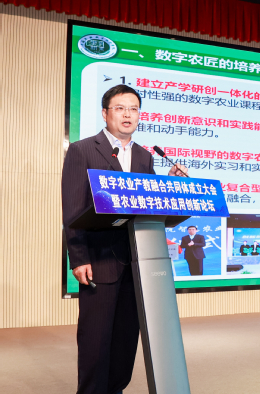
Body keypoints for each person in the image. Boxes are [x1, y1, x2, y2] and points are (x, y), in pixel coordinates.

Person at [62, 84, 188, 394]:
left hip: (137, 262)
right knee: (95, 339)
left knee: (125, 338)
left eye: (133, 108)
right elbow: (73, 209)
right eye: (120, 108)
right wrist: (78, 258)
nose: (127, 114)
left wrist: (169, 184)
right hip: (100, 260)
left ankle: (116, 389)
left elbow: (147, 205)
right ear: (105, 113)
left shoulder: (144, 157)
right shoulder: (82, 150)